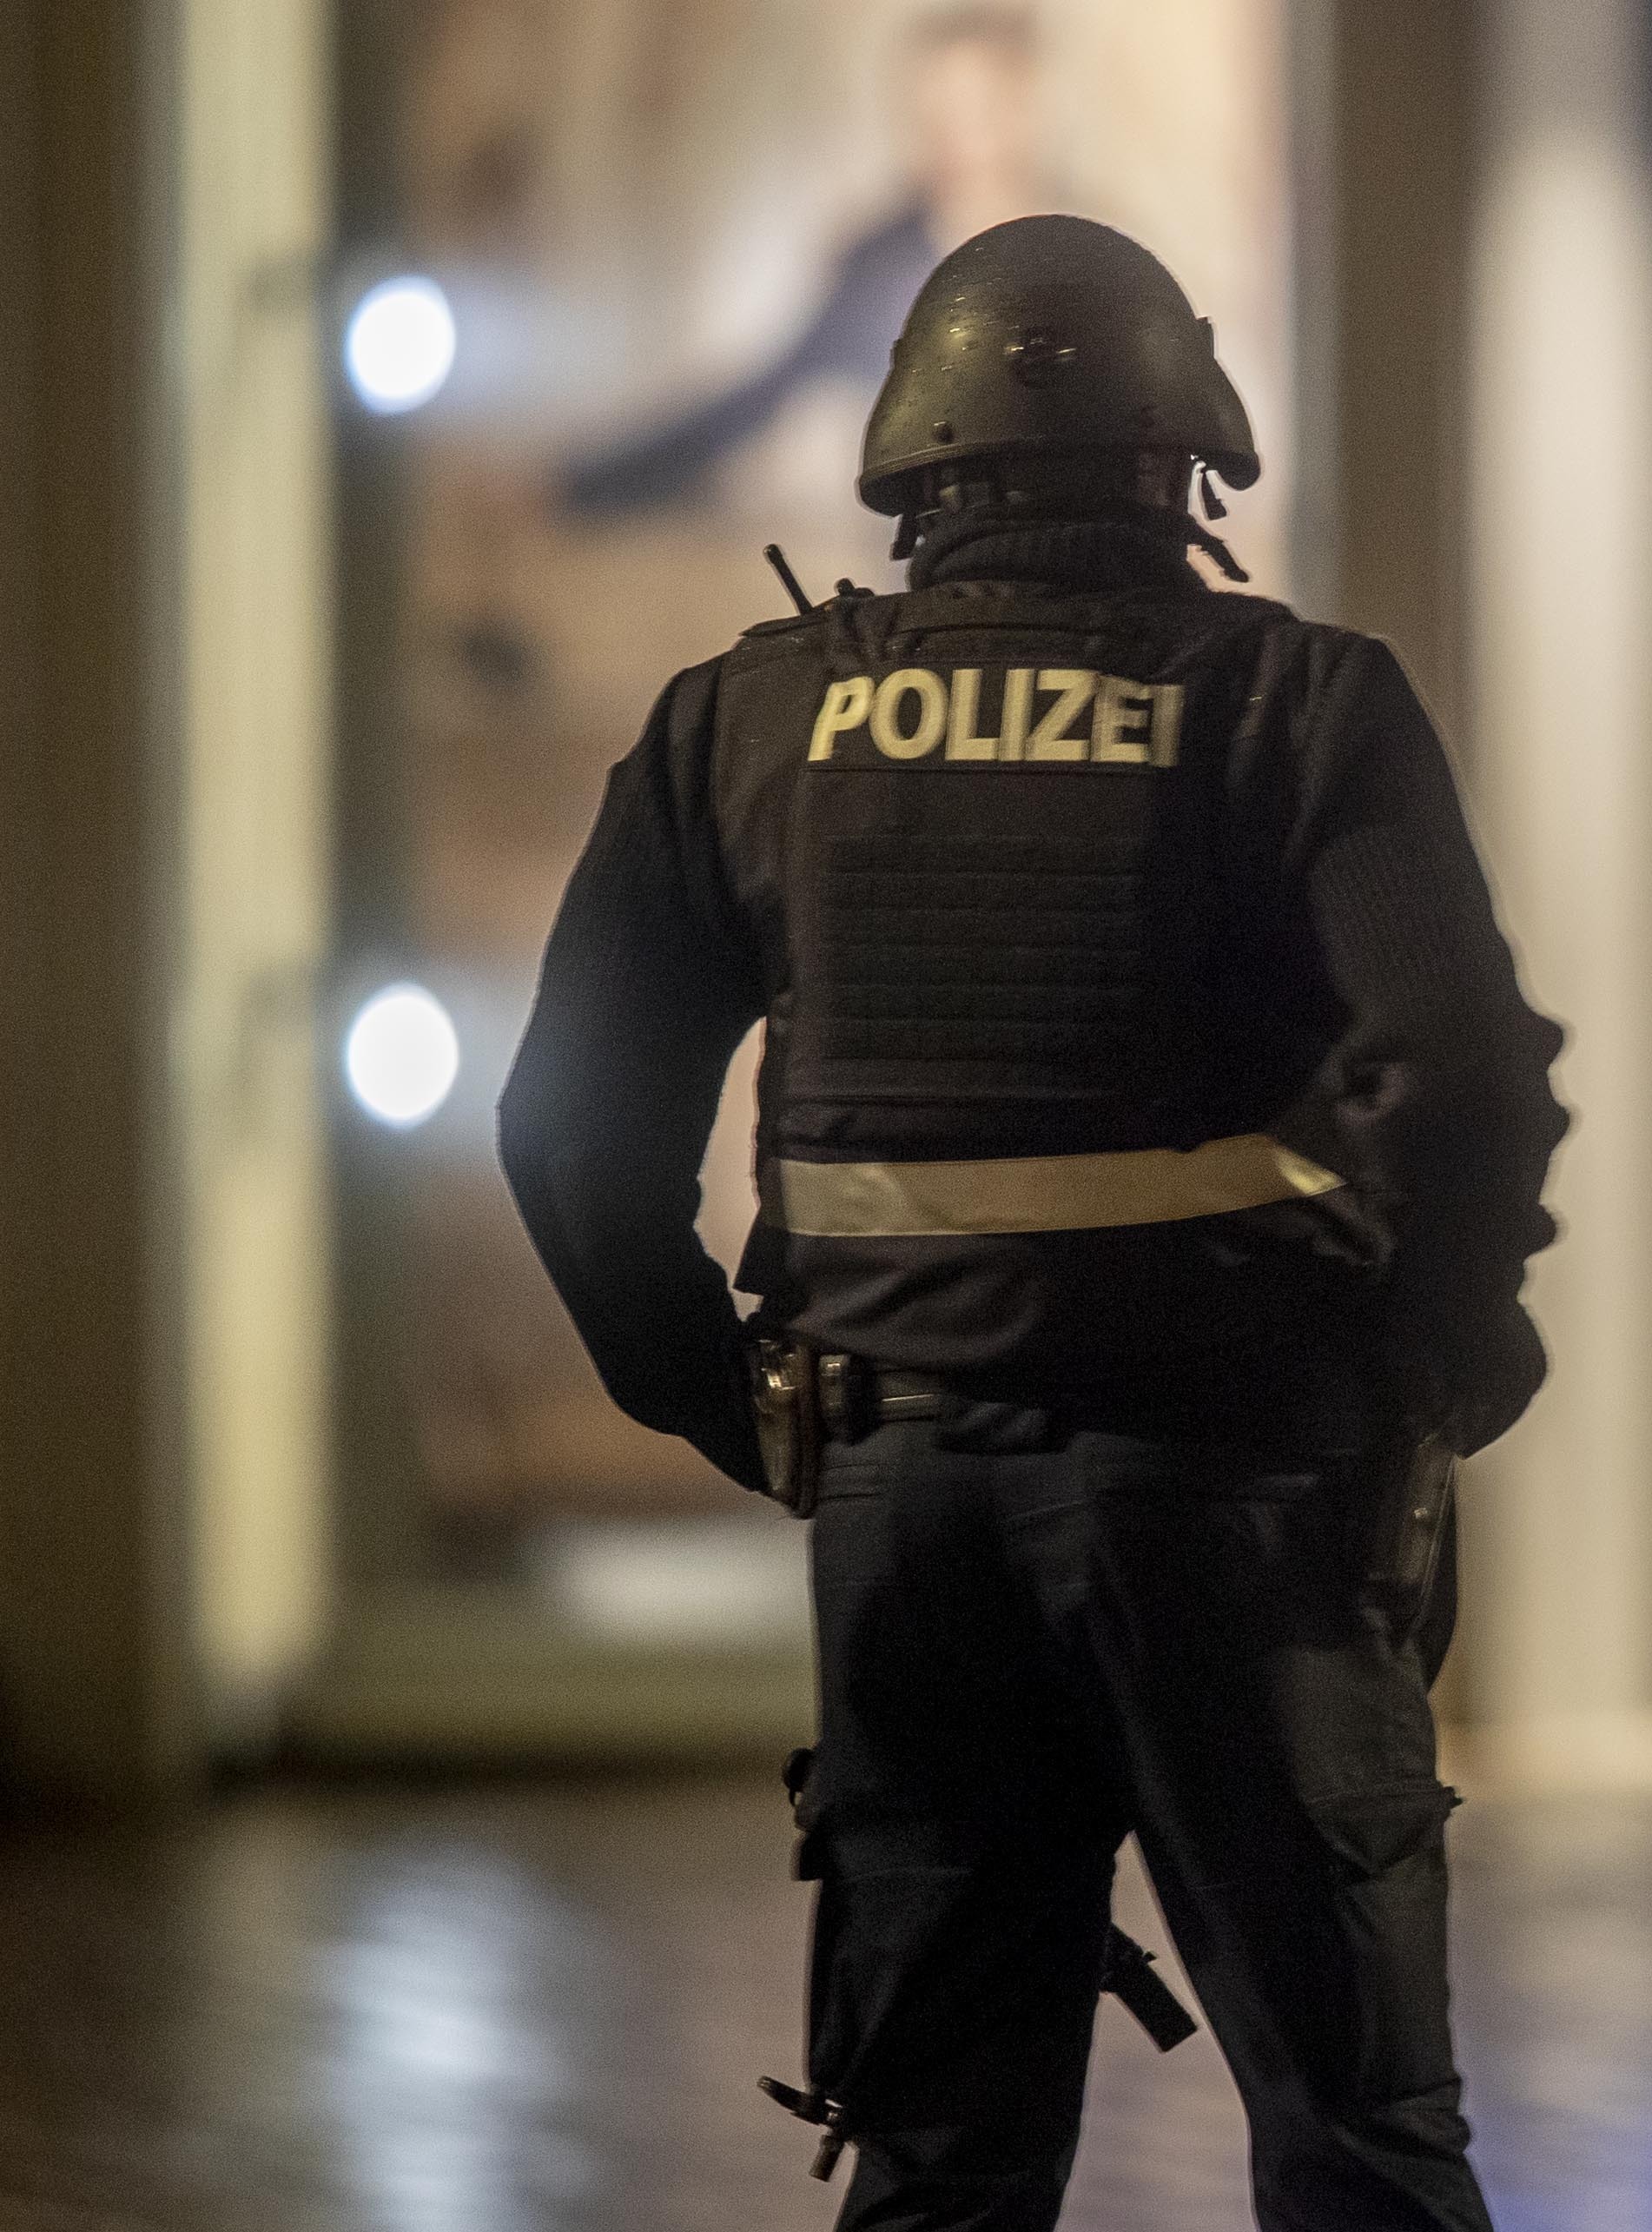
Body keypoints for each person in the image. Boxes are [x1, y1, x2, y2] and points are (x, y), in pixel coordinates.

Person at [500, 213, 1562, 2232]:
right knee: (1355, 2139)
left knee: (938, 2159)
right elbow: (1464, 1082)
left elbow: (567, 1137)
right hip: (1244, 1503)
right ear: (1185, 463)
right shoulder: (1296, 702)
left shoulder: (749, 721)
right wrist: (1431, 1368)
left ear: (913, 463)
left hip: (901, 1512)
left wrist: (738, 1410)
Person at [559, 3, 1054, 516]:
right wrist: (573, 487)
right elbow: (752, 405)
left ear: (1025, 107)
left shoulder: (1081, 256)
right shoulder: (879, 267)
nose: (952, 140)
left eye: (976, 112)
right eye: (933, 118)